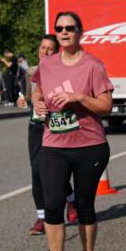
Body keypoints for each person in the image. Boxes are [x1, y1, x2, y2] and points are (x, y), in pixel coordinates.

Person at [31, 12, 113, 251]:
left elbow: (106, 106)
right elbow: (36, 90)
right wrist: (38, 103)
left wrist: (79, 97)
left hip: (89, 146)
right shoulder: (47, 64)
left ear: (80, 32)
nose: (64, 32)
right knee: (53, 204)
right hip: (53, 145)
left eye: (70, 28)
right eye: (59, 29)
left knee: (84, 206)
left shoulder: (93, 65)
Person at [17, 34, 77, 235]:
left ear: (57, 51)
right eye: (42, 48)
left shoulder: (61, 72)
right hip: (35, 125)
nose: (45, 51)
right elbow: (25, 97)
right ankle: (42, 218)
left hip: (55, 125)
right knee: (37, 171)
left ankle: (71, 201)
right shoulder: (30, 72)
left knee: (53, 171)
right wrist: (23, 102)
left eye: (50, 48)